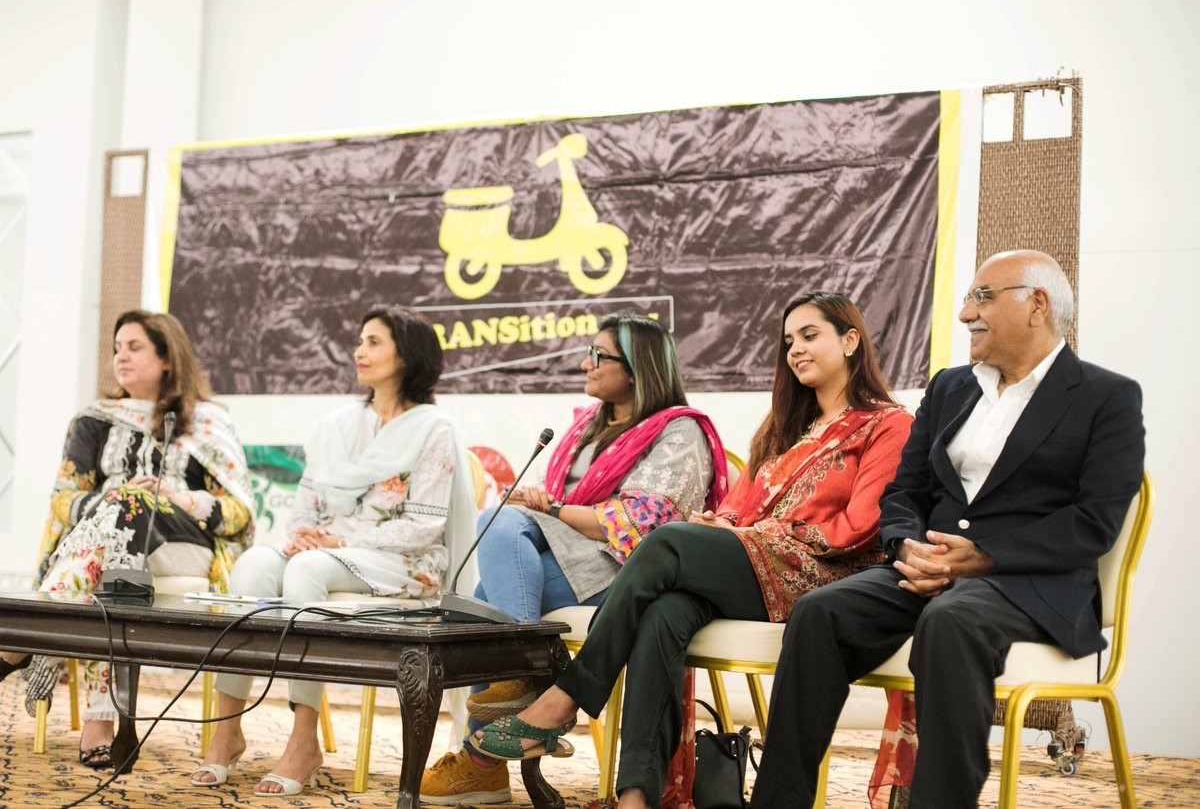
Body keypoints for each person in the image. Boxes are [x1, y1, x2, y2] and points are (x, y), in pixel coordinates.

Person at [471, 292, 914, 809]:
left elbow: (862, 526)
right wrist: (718, 523)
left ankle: (565, 696)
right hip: (754, 566)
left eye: (810, 336)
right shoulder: (785, 430)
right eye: (789, 340)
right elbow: (737, 509)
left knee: (666, 540)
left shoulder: (887, 424)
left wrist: (753, 534)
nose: (795, 349)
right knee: (663, 613)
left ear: (851, 340)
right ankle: (637, 796)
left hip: (822, 576)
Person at [749, 251, 1146, 809]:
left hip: (1029, 583)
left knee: (951, 620)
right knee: (819, 613)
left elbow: (1093, 522)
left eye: (983, 297)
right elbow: (904, 492)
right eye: (967, 299)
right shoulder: (949, 388)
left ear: (1037, 304)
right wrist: (905, 544)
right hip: (927, 569)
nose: (965, 314)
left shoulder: (1106, 397)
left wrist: (983, 555)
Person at [421, 312, 729, 806]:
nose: (586, 363)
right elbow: (562, 504)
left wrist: (554, 510)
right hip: (567, 552)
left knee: (487, 586)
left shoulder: (678, 431)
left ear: (638, 368)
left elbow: (645, 523)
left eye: (598, 355)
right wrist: (542, 502)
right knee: (495, 548)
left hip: (630, 568)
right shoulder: (588, 425)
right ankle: (523, 684)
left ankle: (484, 756)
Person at [189, 305, 475, 797]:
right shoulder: (336, 425)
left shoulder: (434, 428)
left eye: (374, 342)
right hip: (328, 549)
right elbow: (305, 507)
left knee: (306, 570)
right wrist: (304, 533)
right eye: (360, 340)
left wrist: (338, 541)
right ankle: (227, 729)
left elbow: (423, 528)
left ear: (406, 356)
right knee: (254, 564)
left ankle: (304, 740)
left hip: (405, 562)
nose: (359, 351)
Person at [0, 310, 254, 769]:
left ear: (167, 358)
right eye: (117, 347)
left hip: (181, 547)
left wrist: (180, 497)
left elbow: (239, 513)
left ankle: (27, 638)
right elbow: (63, 500)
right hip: (106, 546)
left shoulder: (208, 422)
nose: (121, 356)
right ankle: (103, 719)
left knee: (128, 507)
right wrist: (112, 501)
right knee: (120, 525)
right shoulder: (94, 420)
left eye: (134, 347)